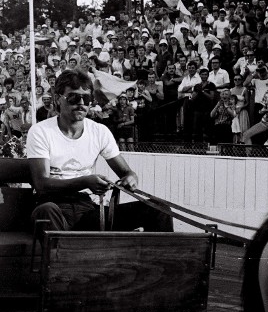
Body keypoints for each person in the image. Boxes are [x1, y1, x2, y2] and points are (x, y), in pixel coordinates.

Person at [26, 69, 172, 232]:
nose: (81, 103)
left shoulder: (99, 131)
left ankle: (168, 258)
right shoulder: (41, 131)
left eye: (86, 98)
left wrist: (130, 177)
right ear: (57, 99)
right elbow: (42, 185)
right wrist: (85, 181)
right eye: (74, 98)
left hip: (88, 210)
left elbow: (125, 172)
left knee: (159, 208)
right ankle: (65, 254)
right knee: (46, 211)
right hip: (54, 207)